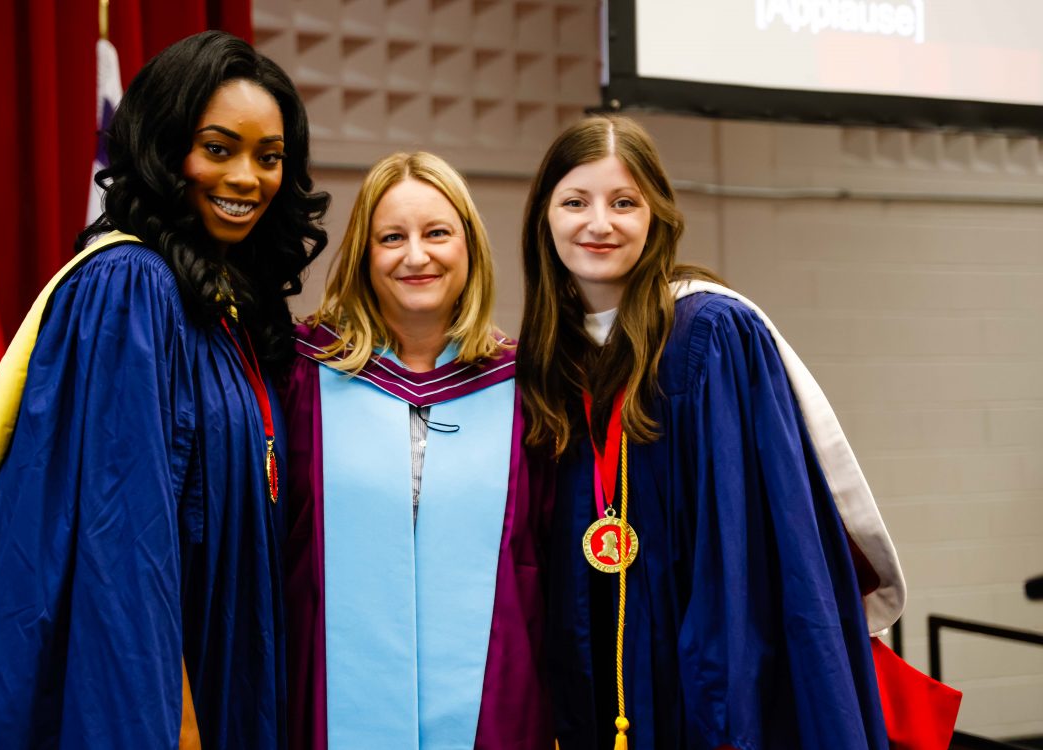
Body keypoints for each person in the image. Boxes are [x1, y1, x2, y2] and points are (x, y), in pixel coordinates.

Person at [0, 31, 328, 748]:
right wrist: (176, 724)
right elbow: (123, 541)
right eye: (218, 149)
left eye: (269, 156)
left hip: (204, 670)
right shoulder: (130, 287)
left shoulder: (225, 311)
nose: (248, 177)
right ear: (165, 150)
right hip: (140, 693)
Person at [517, 115, 910, 749]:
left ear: (657, 217)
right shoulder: (547, 362)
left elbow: (740, 548)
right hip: (591, 680)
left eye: (624, 202)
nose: (599, 223)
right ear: (545, 218)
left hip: (696, 686)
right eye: (575, 201)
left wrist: (722, 708)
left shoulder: (709, 334)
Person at [282, 152, 553, 749]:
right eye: (391, 237)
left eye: (437, 233)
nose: (416, 255)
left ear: (469, 247)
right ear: (363, 253)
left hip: (493, 707)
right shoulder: (301, 374)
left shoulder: (527, 386)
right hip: (332, 703)